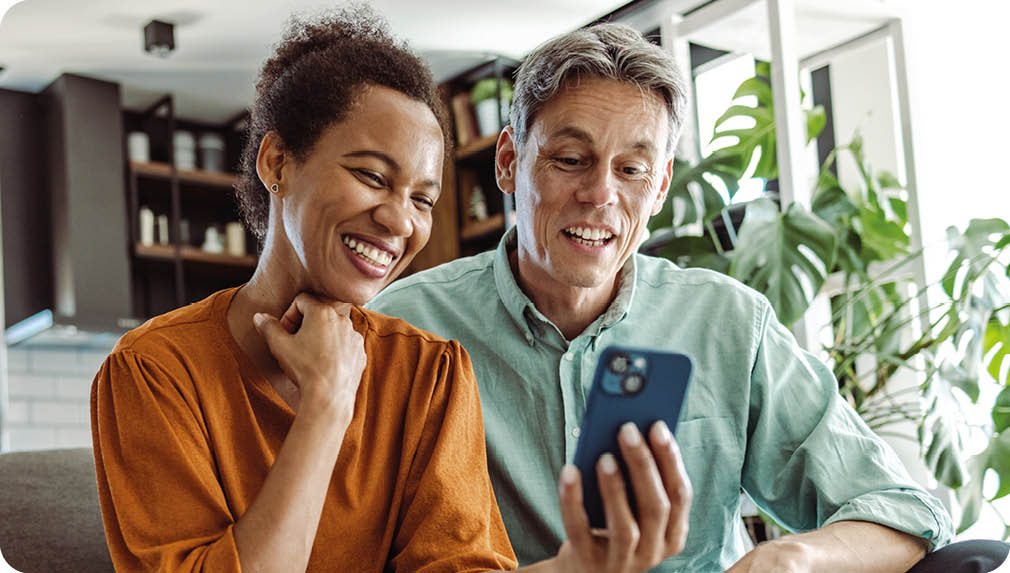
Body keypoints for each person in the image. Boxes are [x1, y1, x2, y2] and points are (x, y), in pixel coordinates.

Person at [370, 22, 1008, 572]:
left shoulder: (728, 323)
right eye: (570, 159)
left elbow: (905, 511)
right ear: (509, 162)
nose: (601, 195)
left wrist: (795, 556)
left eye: (632, 170)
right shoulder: (405, 328)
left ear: (661, 185)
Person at [89, 9, 519, 572]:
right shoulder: (154, 373)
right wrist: (326, 403)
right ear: (277, 163)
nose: (399, 220)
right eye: (371, 176)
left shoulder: (428, 374)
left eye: (423, 199)